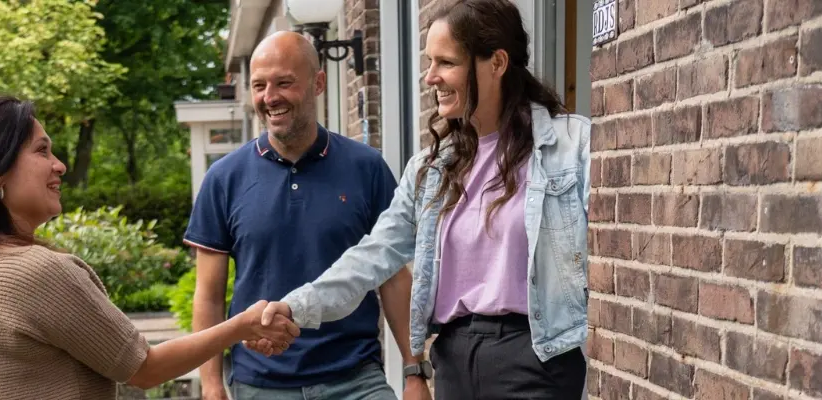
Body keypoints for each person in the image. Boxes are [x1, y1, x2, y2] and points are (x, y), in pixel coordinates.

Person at [253, 0, 592, 398]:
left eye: (446, 62)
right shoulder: (431, 169)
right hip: (453, 360)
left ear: (497, 63)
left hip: (537, 357)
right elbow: (372, 256)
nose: (430, 77)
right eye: (429, 62)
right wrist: (296, 306)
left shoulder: (572, 147)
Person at [0, 95, 300, 400]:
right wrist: (243, 324)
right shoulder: (35, 272)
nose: (59, 165)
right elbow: (146, 369)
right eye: (42, 150)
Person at [183, 31, 421, 400]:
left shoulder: (367, 168)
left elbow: (392, 278)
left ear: (319, 83)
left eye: (284, 83)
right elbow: (209, 295)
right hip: (259, 384)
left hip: (355, 379)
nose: (269, 97)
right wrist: (212, 386)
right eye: (259, 86)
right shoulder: (224, 179)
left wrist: (414, 371)